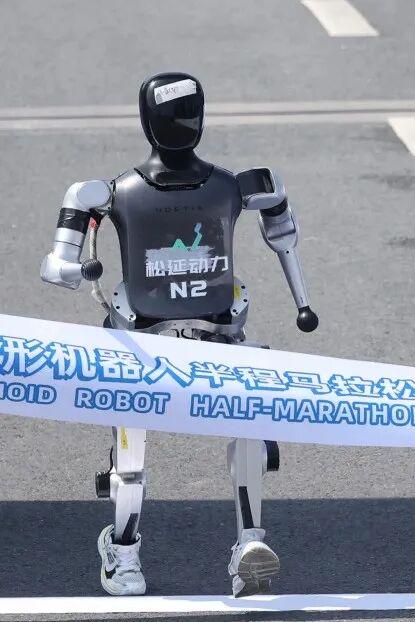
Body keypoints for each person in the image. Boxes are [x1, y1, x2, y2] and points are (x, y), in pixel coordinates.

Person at [41, 72, 318, 596]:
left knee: (151, 436)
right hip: (191, 330)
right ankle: (217, 542)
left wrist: (80, 270)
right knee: (227, 425)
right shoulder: (233, 185)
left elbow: (57, 268)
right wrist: (303, 303)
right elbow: (284, 234)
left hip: (168, 330)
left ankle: (149, 555)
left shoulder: (109, 192)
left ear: (145, 122)